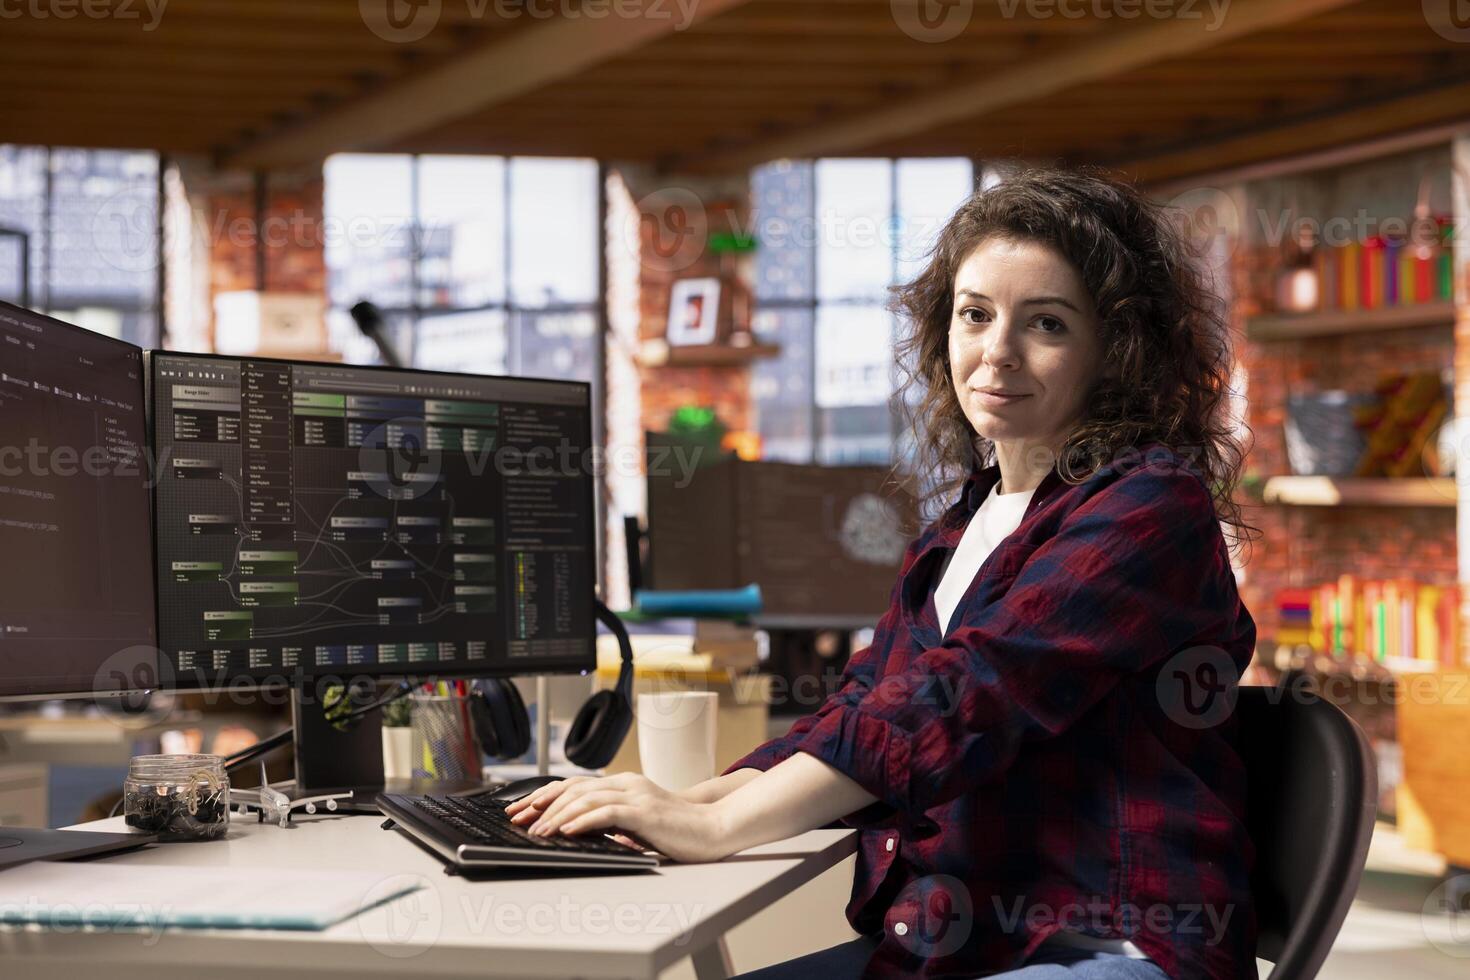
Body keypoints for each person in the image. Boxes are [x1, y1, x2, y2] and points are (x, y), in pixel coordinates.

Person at [506, 167, 1259, 980]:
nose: (996, 352)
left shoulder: (1151, 506)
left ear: (1115, 351)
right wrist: (687, 803)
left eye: (1045, 323)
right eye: (975, 315)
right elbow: (867, 705)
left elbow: (969, 696)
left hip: (1103, 943)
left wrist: (721, 830)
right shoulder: (959, 530)